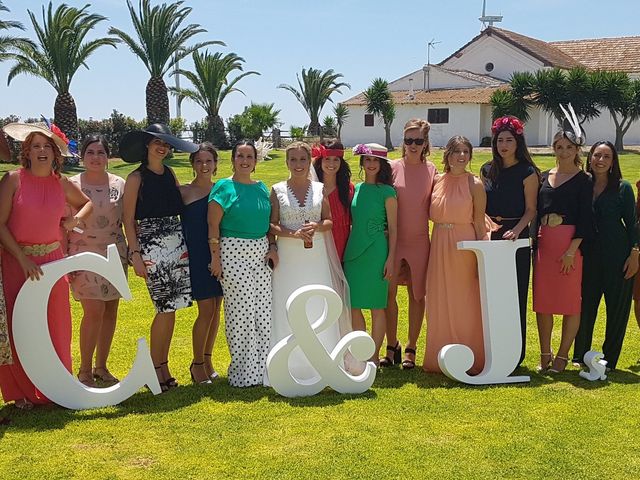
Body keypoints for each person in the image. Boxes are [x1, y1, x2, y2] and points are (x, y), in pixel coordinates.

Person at [0, 122, 92, 409]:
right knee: (21, 327)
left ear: (56, 153)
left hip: (52, 262)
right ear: (27, 152)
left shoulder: (62, 183)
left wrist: (74, 220)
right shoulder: (13, 180)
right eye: (36, 146)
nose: (42, 151)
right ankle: (22, 393)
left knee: (56, 325)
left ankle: (58, 388)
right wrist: (22, 258)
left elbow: (87, 203)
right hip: (17, 262)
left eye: (47, 146)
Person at [121, 123, 198, 392]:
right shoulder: (135, 178)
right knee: (163, 307)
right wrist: (136, 254)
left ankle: (162, 366)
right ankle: (155, 369)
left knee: (172, 308)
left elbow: (181, 199)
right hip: (151, 245)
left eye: (165, 143)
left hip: (176, 243)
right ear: (147, 146)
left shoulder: (169, 173)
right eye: (157, 142)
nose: (162, 147)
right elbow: (127, 219)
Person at [269, 142, 352, 381]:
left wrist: (316, 226)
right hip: (288, 261)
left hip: (316, 260)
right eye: (293, 160)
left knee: (318, 305)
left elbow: (329, 221)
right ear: (286, 163)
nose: (298, 165)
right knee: (287, 306)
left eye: (302, 160)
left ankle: (323, 362)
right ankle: (289, 365)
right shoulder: (277, 190)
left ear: (309, 162)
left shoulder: (319, 190)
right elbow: (271, 225)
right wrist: (291, 233)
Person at [208, 140, 277, 388]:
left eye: (249, 156)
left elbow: (269, 223)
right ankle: (243, 372)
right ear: (233, 159)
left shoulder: (261, 188)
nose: (245, 160)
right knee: (241, 312)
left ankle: (265, 369)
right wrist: (215, 258)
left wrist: (272, 247)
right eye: (240, 156)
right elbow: (213, 226)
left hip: (260, 253)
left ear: (256, 161)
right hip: (233, 252)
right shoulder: (224, 187)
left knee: (263, 312)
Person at [423, 136, 488, 375]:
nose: (461, 156)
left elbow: (480, 223)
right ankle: (439, 356)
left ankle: (471, 355)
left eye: (465, 151)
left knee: (465, 301)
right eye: (456, 151)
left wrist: (482, 257)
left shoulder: (475, 184)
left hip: (465, 246)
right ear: (447, 155)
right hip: (439, 244)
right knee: (439, 299)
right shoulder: (437, 180)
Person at [67, 134, 127, 387]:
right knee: (94, 310)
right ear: (82, 156)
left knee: (110, 310)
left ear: (107, 157)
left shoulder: (120, 184)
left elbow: (127, 220)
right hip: (82, 254)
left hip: (115, 253)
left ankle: (101, 367)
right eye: (90, 152)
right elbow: (62, 223)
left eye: (101, 152)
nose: (96, 157)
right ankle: (84, 371)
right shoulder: (71, 184)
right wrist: (65, 259)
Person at [572, 141, 638, 370]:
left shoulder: (623, 187)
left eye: (606, 157)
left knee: (617, 310)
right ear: (590, 158)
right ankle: (580, 355)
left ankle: (609, 360)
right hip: (588, 256)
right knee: (586, 306)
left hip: (618, 256)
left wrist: (635, 254)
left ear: (612, 162)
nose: (600, 160)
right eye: (596, 155)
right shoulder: (582, 185)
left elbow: (632, 224)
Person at [480, 116, 539, 367]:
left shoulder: (528, 172)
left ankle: (516, 354)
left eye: (509, 140)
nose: (503, 145)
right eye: (499, 140)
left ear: (518, 142)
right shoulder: (486, 170)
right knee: (492, 296)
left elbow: (531, 210)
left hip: (517, 238)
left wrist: (515, 231)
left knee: (515, 296)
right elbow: (480, 204)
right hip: (491, 236)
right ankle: (493, 350)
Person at [533, 128, 593, 374]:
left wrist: (571, 250)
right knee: (543, 301)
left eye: (569, 147)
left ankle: (563, 355)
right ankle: (545, 353)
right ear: (553, 149)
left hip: (569, 245)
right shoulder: (545, 176)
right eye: (559, 146)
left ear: (577, 149)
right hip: (545, 243)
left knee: (570, 303)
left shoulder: (584, 180)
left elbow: (586, 218)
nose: (564, 151)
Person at [383, 119, 436, 369]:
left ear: (425, 143)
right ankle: (391, 345)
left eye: (418, 141)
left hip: (419, 243)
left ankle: (412, 347)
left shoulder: (433, 171)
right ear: (402, 142)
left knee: (417, 295)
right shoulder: (391, 168)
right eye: (408, 140)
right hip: (393, 242)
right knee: (388, 294)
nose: (412, 145)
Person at [343, 143, 397, 366]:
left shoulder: (388, 192)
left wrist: (391, 258)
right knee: (354, 305)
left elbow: (394, 229)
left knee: (377, 306)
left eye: (375, 160)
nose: (371, 164)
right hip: (354, 252)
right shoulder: (355, 189)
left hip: (377, 252)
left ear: (381, 164)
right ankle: (362, 352)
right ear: (362, 162)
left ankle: (374, 356)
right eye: (368, 159)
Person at [180, 142, 223, 384]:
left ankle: (207, 360)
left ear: (216, 164)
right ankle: (196, 364)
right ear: (193, 165)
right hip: (196, 255)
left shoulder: (222, 189)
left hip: (218, 253)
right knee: (206, 310)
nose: (204, 165)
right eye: (199, 161)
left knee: (216, 309)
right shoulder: (183, 192)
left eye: (208, 161)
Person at [312, 139, 353, 261]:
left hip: (343, 246)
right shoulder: (312, 188)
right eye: (327, 159)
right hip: (318, 247)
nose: (332, 163)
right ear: (320, 161)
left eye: (336, 159)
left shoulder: (348, 188)